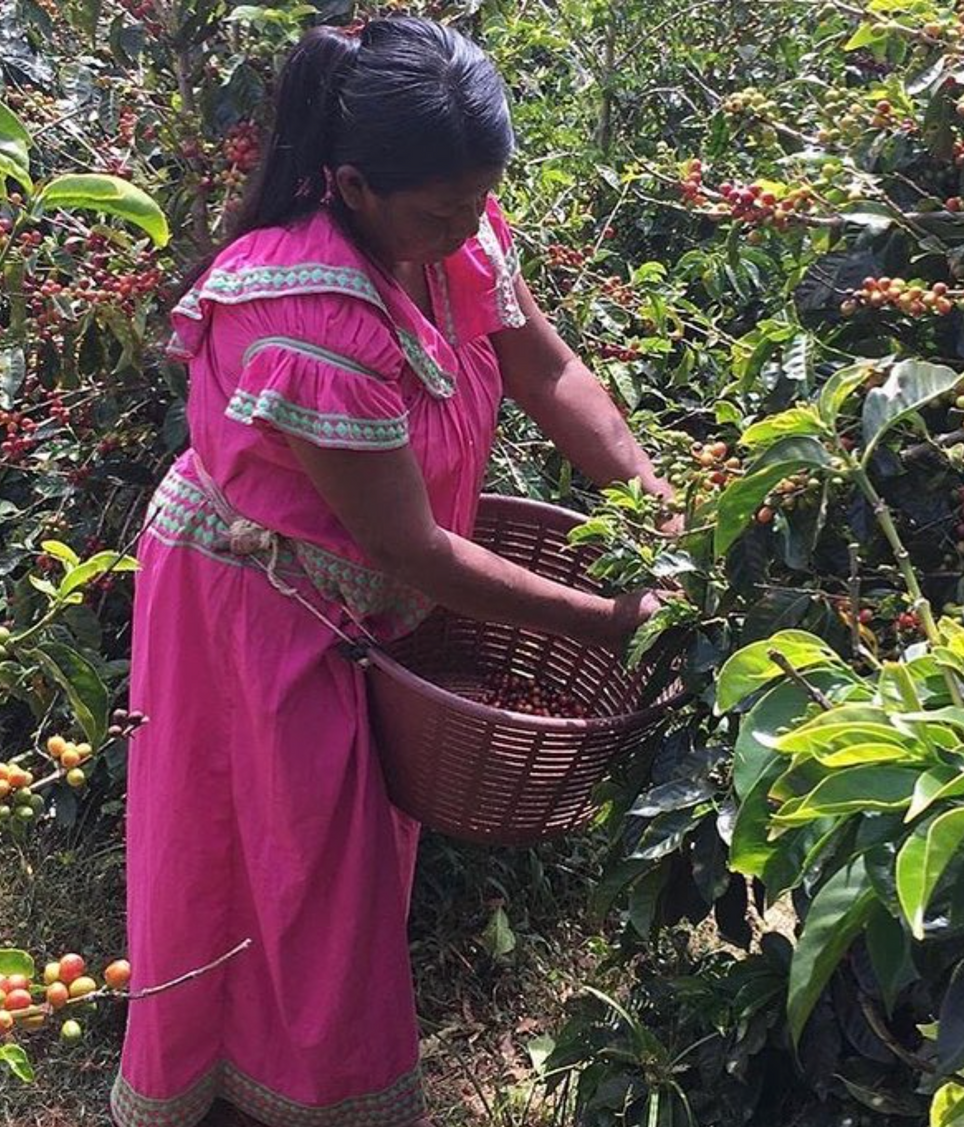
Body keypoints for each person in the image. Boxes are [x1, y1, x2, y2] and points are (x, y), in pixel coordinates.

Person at [112, 16, 672, 1127]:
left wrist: (662, 516)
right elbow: (409, 546)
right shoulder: (308, 314)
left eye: (479, 201)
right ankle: (228, 1086)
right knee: (263, 846)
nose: (468, 228)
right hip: (253, 598)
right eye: (442, 211)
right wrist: (604, 617)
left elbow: (546, 365)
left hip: (351, 595)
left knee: (333, 860)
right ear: (353, 183)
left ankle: (284, 1073)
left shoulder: (441, 224)